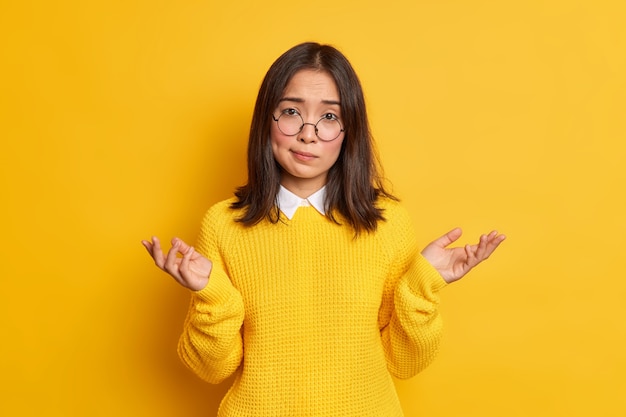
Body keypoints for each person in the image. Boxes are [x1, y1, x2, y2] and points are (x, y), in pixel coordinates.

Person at [142, 42, 505, 417]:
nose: (308, 133)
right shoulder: (223, 225)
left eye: (329, 117)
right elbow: (210, 369)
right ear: (267, 120)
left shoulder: (388, 224)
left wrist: (421, 285)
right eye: (291, 112)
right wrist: (210, 294)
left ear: (350, 130)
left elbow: (405, 364)